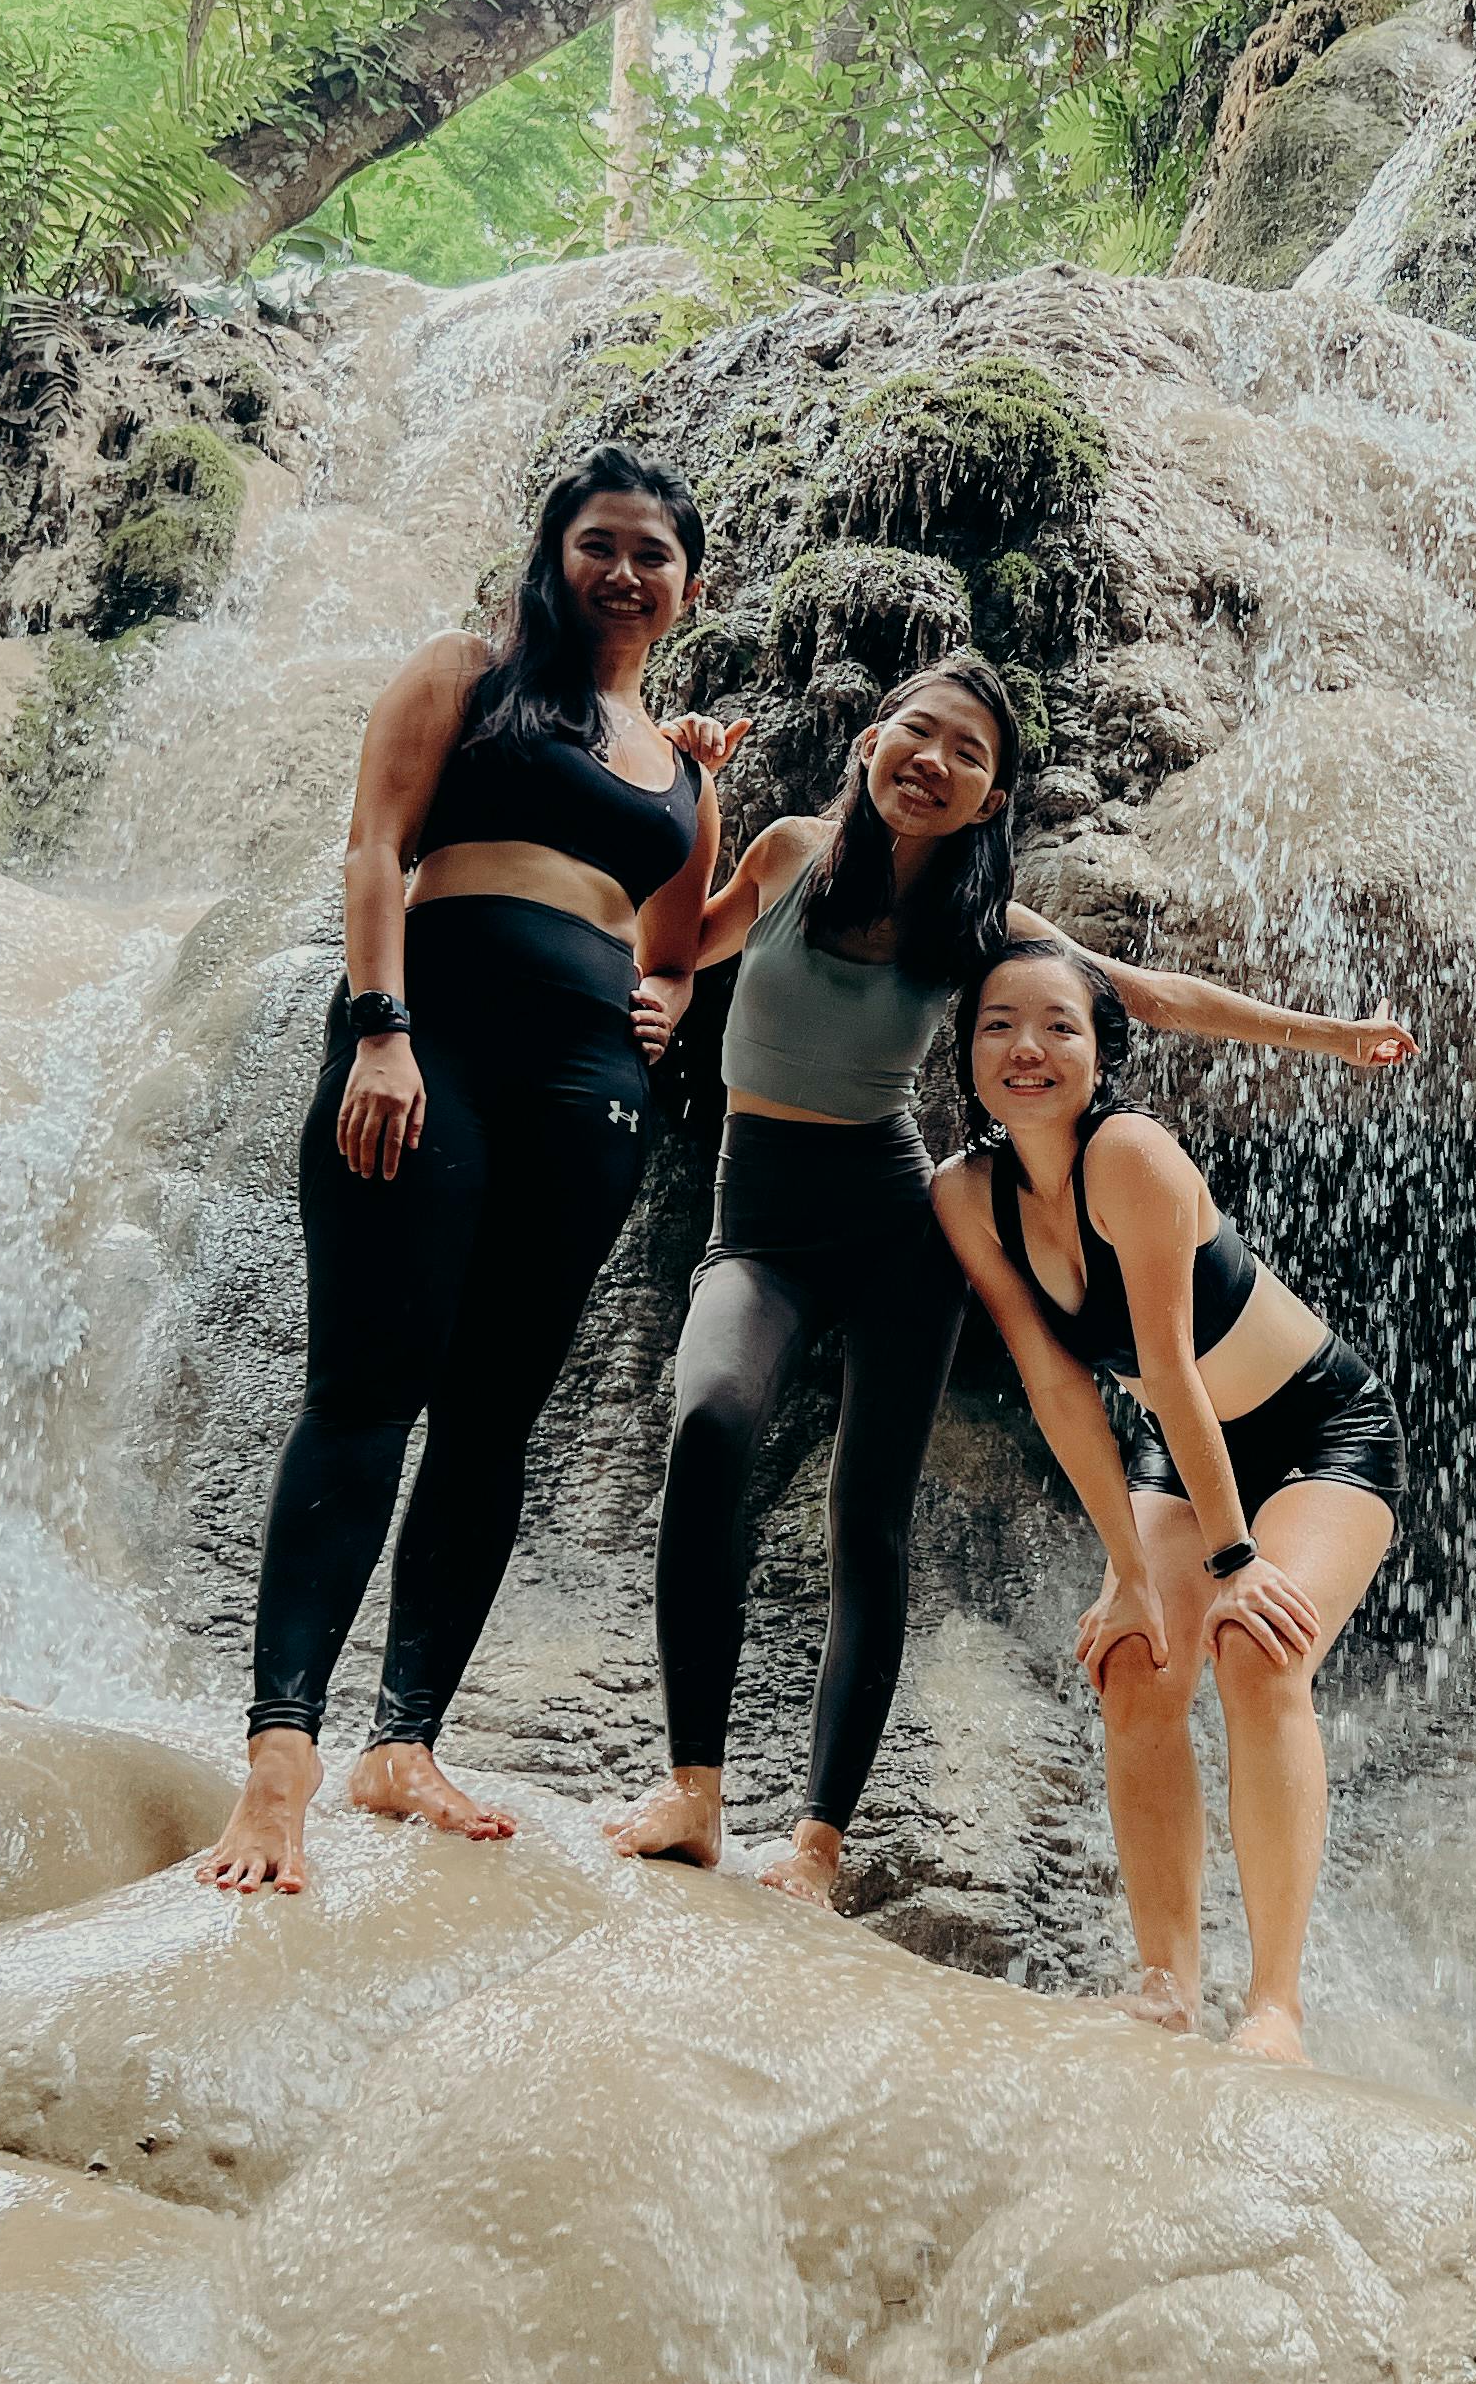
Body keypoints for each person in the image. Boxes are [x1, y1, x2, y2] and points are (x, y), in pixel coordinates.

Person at [599, 651, 1409, 1899]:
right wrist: (676, 859)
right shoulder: (785, 852)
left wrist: (1327, 1034)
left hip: (896, 1224)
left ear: (990, 800)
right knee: (709, 1418)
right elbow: (681, 943)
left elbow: (1143, 997)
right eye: (918, 732)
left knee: (866, 1518)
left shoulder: (975, 925)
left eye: (969, 753)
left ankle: (817, 1840)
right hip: (756, 1216)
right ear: (872, 740)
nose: (934, 760)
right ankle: (694, 1790)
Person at [200, 447, 738, 1895]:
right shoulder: (469, 672)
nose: (624, 572)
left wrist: (671, 1004)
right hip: (427, 1043)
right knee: (367, 1391)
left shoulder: (684, 766)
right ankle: (281, 1761)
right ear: (553, 551)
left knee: (493, 1418)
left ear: (688, 587)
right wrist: (381, 1030)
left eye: (654, 554)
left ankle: (405, 1742)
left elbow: (679, 942)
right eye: (599, 542)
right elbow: (377, 846)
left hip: (589, 1095)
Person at [932, 937, 1404, 2064]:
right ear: (964, 1054)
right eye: (998, 1025)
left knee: (1256, 1650)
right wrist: (1133, 1576)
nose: (1028, 1049)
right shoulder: (965, 1194)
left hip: (1317, 1433)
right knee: (1134, 1661)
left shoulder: (1131, 1153)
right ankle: (1165, 1986)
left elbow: (1172, 1363)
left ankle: (1275, 2008)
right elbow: (1058, 1386)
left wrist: (1235, 1565)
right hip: (1177, 1448)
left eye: (1059, 1025)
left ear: (1102, 1051)